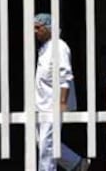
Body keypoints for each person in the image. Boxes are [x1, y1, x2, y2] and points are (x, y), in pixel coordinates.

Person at [34, 13, 90, 171]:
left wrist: (62, 102)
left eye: (38, 28)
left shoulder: (59, 47)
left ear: (48, 28)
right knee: (45, 143)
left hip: (53, 105)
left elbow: (65, 76)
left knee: (47, 147)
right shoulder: (45, 48)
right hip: (41, 105)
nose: (35, 32)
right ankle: (77, 164)